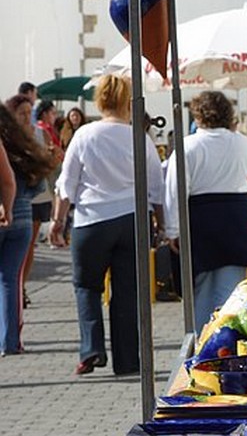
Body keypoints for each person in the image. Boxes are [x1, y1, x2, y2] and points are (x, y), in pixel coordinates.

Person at [49, 74, 165, 376]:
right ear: (129, 101)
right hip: (132, 220)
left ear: (99, 100)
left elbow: (67, 184)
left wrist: (58, 222)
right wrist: (161, 225)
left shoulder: (85, 134)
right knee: (127, 292)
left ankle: (92, 349)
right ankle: (128, 360)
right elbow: (156, 187)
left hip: (92, 221)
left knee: (86, 286)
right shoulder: (140, 136)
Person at [164, 90, 247, 335]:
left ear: (198, 115)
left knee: (201, 287)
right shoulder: (244, 143)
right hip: (236, 217)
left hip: (201, 218)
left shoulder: (187, 146)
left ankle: (202, 340)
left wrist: (173, 229)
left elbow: (174, 190)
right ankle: (225, 339)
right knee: (230, 288)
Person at [0, 103, 54, 356]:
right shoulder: (22, 147)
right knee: (11, 280)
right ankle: (10, 341)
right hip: (21, 218)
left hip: (9, 213)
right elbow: (37, 187)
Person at [6, 93, 52, 304]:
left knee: (29, 246)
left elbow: (48, 164)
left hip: (33, 199)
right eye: (21, 113)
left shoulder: (39, 134)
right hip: (21, 203)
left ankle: (22, 286)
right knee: (9, 277)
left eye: (28, 113)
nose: (25, 117)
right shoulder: (7, 140)